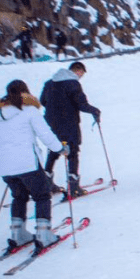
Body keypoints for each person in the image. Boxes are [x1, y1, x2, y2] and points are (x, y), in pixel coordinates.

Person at [0, 80, 68, 251]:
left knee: (19, 196)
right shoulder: (30, 111)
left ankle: (18, 234)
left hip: (5, 166)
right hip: (27, 164)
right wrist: (60, 148)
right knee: (42, 196)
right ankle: (43, 235)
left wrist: (8, 154)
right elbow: (45, 135)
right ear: (25, 93)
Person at [40, 61, 101, 198]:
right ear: (77, 70)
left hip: (52, 122)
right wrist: (94, 111)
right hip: (69, 122)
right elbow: (81, 104)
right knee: (72, 150)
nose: (81, 77)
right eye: (82, 74)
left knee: (55, 148)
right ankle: (73, 186)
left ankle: (47, 182)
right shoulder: (73, 83)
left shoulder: (50, 83)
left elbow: (43, 101)